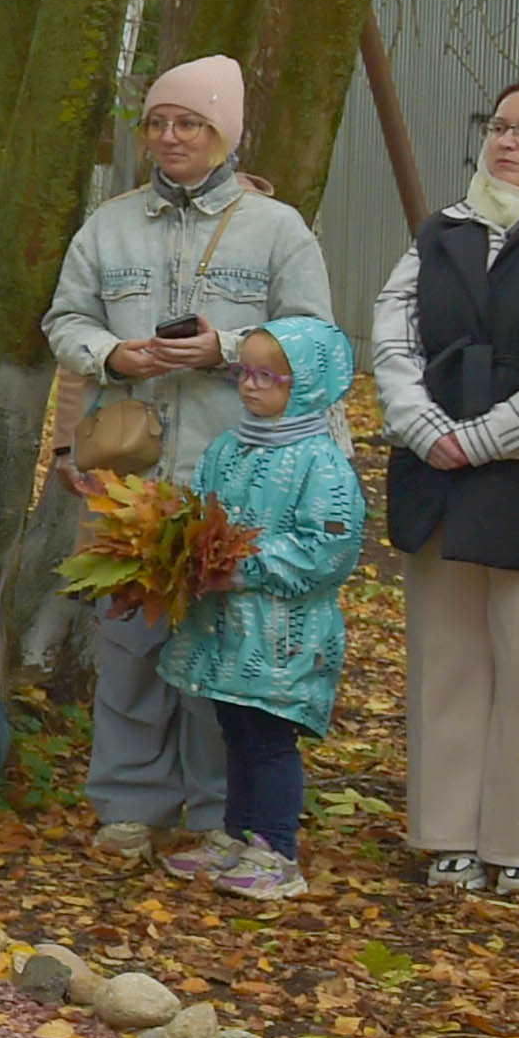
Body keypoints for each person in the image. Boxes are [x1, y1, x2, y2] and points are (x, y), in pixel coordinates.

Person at [42, 55, 334, 862]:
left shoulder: (278, 229)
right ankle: (130, 803)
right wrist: (111, 354)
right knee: (130, 642)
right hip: (129, 475)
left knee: (218, 643)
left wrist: (228, 347)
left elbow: (314, 338)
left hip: (234, 473)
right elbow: (64, 320)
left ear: (225, 135)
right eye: (159, 123)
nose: (170, 138)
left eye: (190, 124)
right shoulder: (111, 224)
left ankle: (215, 810)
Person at [372, 76, 519, 899]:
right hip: (438, 470)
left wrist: (484, 437)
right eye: (497, 125)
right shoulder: (446, 228)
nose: (507, 142)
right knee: (449, 658)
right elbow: (394, 328)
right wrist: (422, 425)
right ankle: (448, 834)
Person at [162, 318, 370, 901]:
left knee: (271, 738)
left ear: (306, 385)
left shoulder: (321, 465)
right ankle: (235, 833)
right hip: (225, 629)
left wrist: (243, 566)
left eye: (267, 376)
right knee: (234, 728)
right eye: (242, 373)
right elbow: (197, 509)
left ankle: (277, 848)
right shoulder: (229, 449)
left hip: (283, 635)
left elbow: (326, 550)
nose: (250, 387)